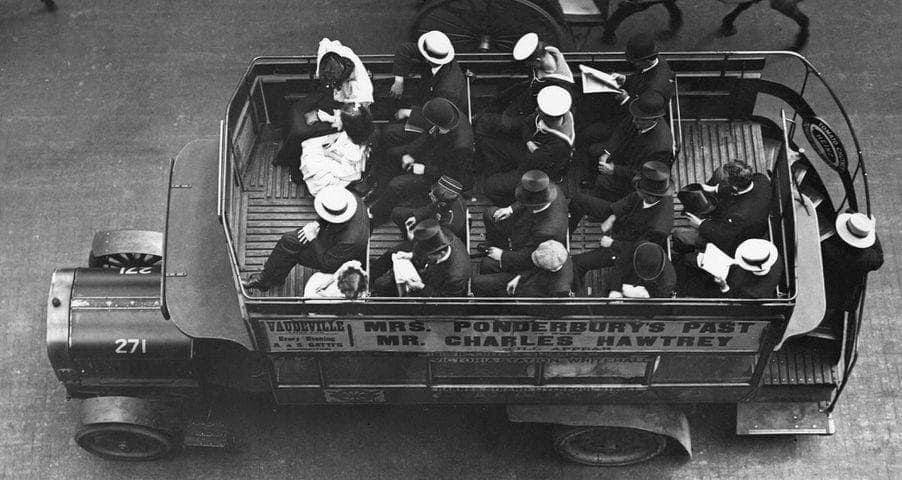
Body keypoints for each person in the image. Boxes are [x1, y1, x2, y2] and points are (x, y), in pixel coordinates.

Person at [571, 161, 674, 292]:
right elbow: (630, 200)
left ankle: (579, 299)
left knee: (576, 263)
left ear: (652, 196)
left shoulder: (659, 228)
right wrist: (613, 215)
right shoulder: (651, 189)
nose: (637, 192)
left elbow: (638, 250)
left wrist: (612, 243)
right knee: (578, 201)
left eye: (640, 191)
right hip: (622, 220)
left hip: (624, 247)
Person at [369, 97, 474, 225]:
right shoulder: (449, 117)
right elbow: (429, 135)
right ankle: (381, 190)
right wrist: (411, 154)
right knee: (392, 154)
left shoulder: (462, 147)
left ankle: (376, 215)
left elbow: (454, 176)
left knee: (396, 185)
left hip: (439, 177)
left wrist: (424, 169)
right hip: (434, 156)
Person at [243, 186, 369, 292]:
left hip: (337, 256)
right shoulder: (349, 199)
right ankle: (271, 279)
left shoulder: (353, 239)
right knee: (289, 240)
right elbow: (332, 214)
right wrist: (317, 223)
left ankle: (266, 280)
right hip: (334, 236)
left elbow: (327, 264)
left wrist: (313, 239)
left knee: (294, 252)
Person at [274, 38, 373, 166]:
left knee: (300, 131)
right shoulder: (339, 53)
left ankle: (287, 161)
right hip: (328, 96)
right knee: (296, 109)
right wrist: (319, 73)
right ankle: (287, 144)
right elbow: (324, 42)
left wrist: (322, 116)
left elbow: (356, 122)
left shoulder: (363, 92)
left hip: (344, 115)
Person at [478, 85, 575, 206]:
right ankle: (503, 173)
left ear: (547, 115)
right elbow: (527, 124)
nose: (537, 109)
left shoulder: (560, 143)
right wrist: (529, 142)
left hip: (540, 170)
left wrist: (530, 153)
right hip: (532, 154)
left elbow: (533, 162)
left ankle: (514, 204)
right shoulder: (550, 115)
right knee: (489, 145)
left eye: (540, 109)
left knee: (491, 186)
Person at [578, 33, 675, 147]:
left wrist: (625, 100)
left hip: (631, 121)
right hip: (631, 103)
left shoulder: (654, 92)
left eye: (634, 62)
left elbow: (641, 114)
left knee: (589, 133)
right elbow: (642, 76)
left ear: (647, 61)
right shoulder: (657, 62)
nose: (632, 63)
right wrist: (626, 79)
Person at [578, 91, 674, 201]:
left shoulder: (660, 147)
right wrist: (607, 152)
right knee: (593, 151)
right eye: (634, 117)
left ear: (653, 120)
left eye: (639, 120)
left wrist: (615, 170)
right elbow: (621, 131)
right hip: (626, 153)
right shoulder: (640, 116)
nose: (634, 121)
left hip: (633, 175)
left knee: (603, 181)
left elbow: (643, 174)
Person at [383, 30, 468, 149]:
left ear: (430, 59)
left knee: (390, 132)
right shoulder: (437, 53)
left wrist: (408, 113)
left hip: (437, 124)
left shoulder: (449, 88)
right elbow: (404, 49)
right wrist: (399, 81)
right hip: (426, 103)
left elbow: (440, 119)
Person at [477, 32, 575, 129]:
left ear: (537, 61)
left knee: (486, 122)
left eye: (530, 63)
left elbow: (537, 119)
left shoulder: (558, 86)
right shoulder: (548, 54)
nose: (528, 65)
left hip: (531, 117)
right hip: (526, 97)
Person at [479, 170, 568, 277]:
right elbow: (530, 196)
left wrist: (502, 255)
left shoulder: (547, 231)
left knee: (487, 264)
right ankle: (497, 245)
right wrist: (511, 209)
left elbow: (529, 256)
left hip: (529, 245)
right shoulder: (548, 188)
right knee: (490, 214)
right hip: (525, 222)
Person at [673, 160, 772, 256]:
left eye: (725, 182)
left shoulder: (738, 216)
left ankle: (687, 253)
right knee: (720, 173)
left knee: (680, 235)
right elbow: (734, 189)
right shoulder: (760, 179)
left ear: (734, 187)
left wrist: (700, 224)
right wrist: (715, 189)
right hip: (735, 207)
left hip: (732, 239)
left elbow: (722, 236)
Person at [370, 219, 471, 297]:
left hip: (436, 286)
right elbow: (423, 251)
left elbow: (445, 300)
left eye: (428, 255)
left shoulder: (456, 277)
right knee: (392, 252)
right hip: (429, 270)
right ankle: (371, 275)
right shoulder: (441, 234)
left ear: (441, 253)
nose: (424, 255)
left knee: (383, 285)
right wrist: (411, 255)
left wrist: (422, 287)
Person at [298, 105, 374, 194]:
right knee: (311, 144)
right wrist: (335, 136)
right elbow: (344, 133)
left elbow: (347, 167)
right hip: (340, 149)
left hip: (343, 167)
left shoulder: (354, 151)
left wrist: (329, 154)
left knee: (312, 156)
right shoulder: (355, 132)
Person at [821, 212, 884, 311]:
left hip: (824, 291)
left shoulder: (828, 247)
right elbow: (879, 257)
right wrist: (872, 230)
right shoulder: (868, 258)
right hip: (845, 299)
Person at [472, 239, 572, 297]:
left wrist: (514, 296)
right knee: (487, 264)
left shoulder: (560, 289)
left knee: (477, 282)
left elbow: (542, 310)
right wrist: (519, 277)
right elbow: (534, 268)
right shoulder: (558, 252)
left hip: (524, 296)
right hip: (523, 280)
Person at [390, 175, 466, 241]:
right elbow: (432, 207)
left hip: (441, 235)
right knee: (397, 212)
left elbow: (437, 241)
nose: (429, 194)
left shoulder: (450, 221)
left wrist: (412, 237)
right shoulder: (449, 198)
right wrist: (416, 217)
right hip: (435, 220)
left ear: (442, 202)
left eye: (432, 196)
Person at [609, 241, 676, 298]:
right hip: (630, 279)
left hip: (651, 294)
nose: (645, 279)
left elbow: (660, 301)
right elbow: (619, 266)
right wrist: (615, 289)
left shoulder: (668, 281)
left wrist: (647, 295)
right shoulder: (636, 249)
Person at [303, 260, 368, 299]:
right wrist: (326, 284)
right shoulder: (353, 265)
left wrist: (326, 295)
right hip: (322, 283)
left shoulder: (355, 293)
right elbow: (336, 275)